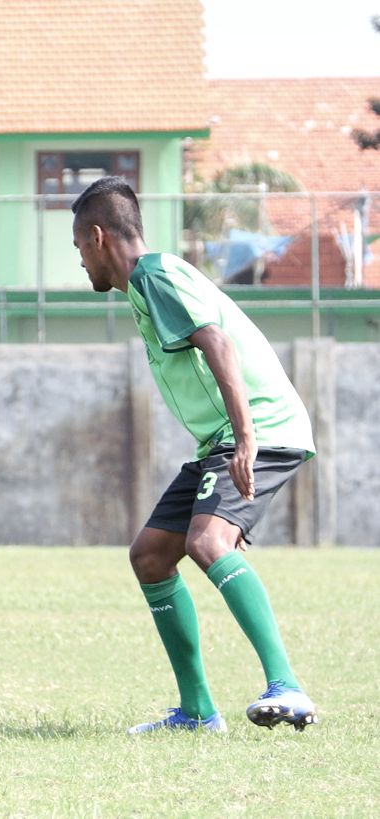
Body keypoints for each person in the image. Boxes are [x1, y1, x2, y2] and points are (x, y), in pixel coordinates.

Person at [71, 176, 318, 734]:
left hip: (259, 428)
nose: (80, 261)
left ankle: (288, 686)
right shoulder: (147, 283)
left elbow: (218, 344)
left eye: (79, 248)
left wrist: (246, 439)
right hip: (220, 441)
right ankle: (198, 712)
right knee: (151, 557)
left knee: (209, 542)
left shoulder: (155, 276)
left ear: (98, 236)